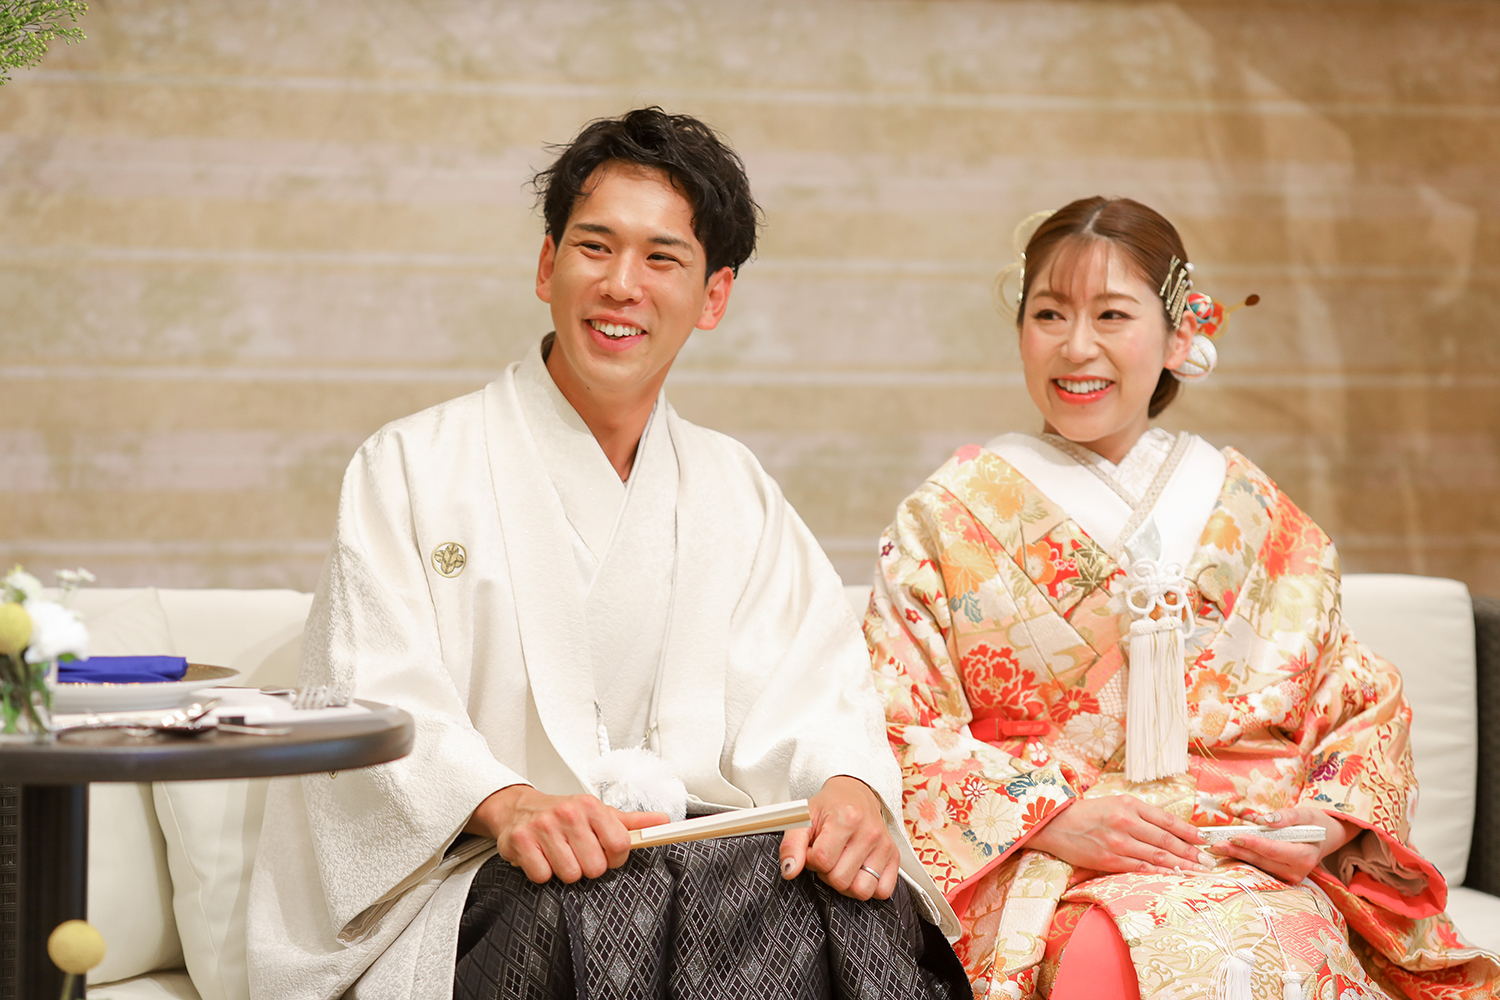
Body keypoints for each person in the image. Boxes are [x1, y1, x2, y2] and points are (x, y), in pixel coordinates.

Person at [246, 107, 965, 1000]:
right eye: (595, 247)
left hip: (704, 869)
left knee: (852, 899)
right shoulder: (410, 468)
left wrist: (849, 794)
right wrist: (509, 804)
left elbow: (818, 694)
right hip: (483, 883)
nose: (622, 284)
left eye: (662, 258)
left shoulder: (735, 490)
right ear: (547, 265)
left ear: (714, 297)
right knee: (595, 903)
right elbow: (372, 698)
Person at [864, 196, 1500, 1000]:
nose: (1077, 346)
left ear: (1177, 336)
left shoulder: (1254, 511)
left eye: (1112, 314)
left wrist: (1323, 826)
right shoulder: (947, 515)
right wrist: (1051, 818)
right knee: (1108, 958)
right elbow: (896, 718)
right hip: (1053, 862)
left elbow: (1354, 699)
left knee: (1278, 950)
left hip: (1243, 856)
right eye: (1049, 314)